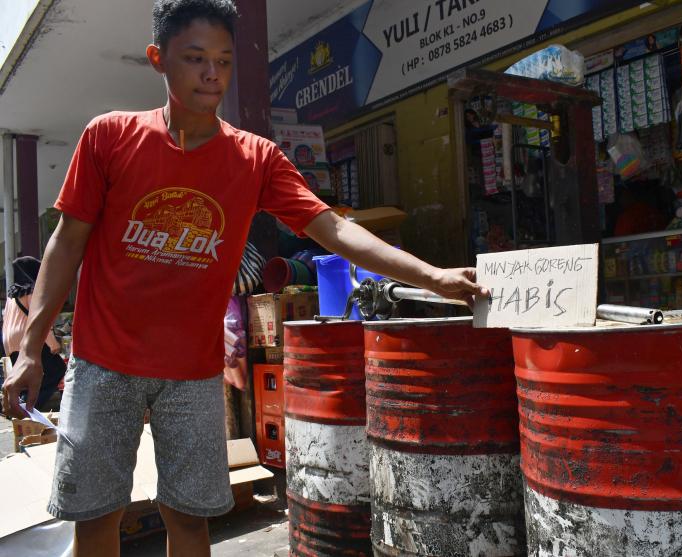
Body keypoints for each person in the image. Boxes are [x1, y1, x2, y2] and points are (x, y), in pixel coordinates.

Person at [0, 2, 487, 556]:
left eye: (225, 61)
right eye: (196, 59)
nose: (213, 74)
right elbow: (66, 243)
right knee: (96, 518)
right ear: (158, 59)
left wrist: (432, 275)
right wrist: (32, 347)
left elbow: (333, 230)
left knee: (189, 520)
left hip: (192, 371)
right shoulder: (109, 138)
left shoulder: (254, 158)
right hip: (103, 364)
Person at [1, 256, 66, 409]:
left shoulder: (12, 294)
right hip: (27, 337)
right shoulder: (32, 291)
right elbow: (38, 318)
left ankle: (19, 404)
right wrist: (52, 343)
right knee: (57, 370)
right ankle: (29, 406)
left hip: (10, 341)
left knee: (24, 377)